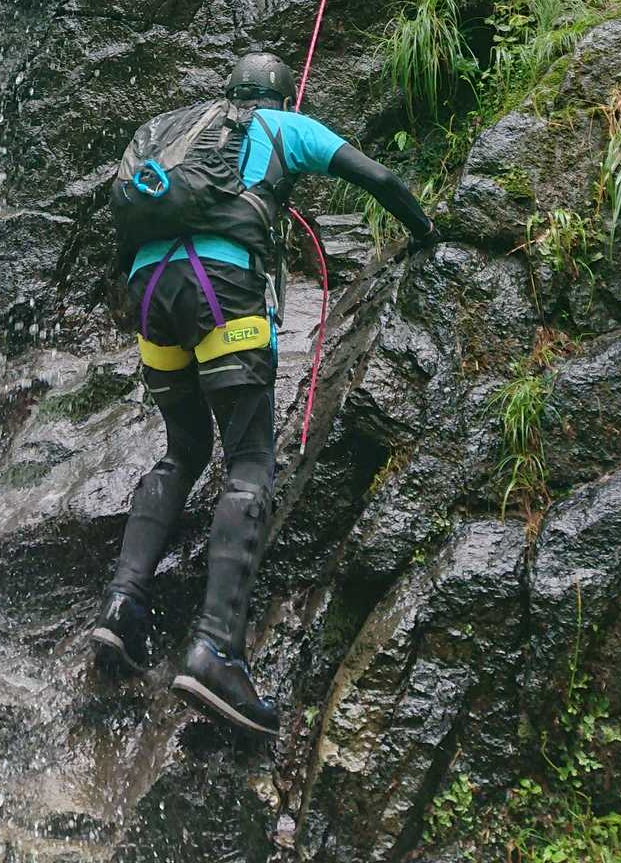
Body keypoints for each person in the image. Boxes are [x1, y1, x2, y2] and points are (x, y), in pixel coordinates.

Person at [91, 49, 434, 736]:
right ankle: (216, 651)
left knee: (183, 450)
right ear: (280, 95)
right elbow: (378, 176)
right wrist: (428, 232)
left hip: (150, 293)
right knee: (248, 462)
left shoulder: (174, 127)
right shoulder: (282, 127)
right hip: (222, 290)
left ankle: (123, 610)